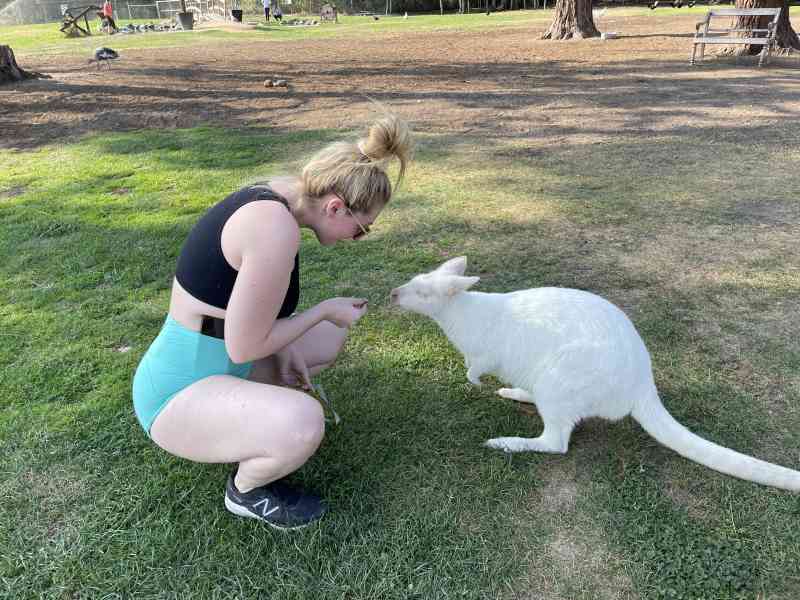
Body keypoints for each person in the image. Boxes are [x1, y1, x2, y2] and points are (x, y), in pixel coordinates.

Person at [132, 114, 412, 530]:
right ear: (336, 206)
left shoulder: (281, 197)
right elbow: (244, 346)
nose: (358, 238)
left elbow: (243, 321)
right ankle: (245, 492)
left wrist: (301, 335)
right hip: (178, 392)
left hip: (217, 356)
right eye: (362, 230)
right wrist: (322, 309)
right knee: (302, 422)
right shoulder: (275, 229)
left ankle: (250, 414)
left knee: (327, 338)